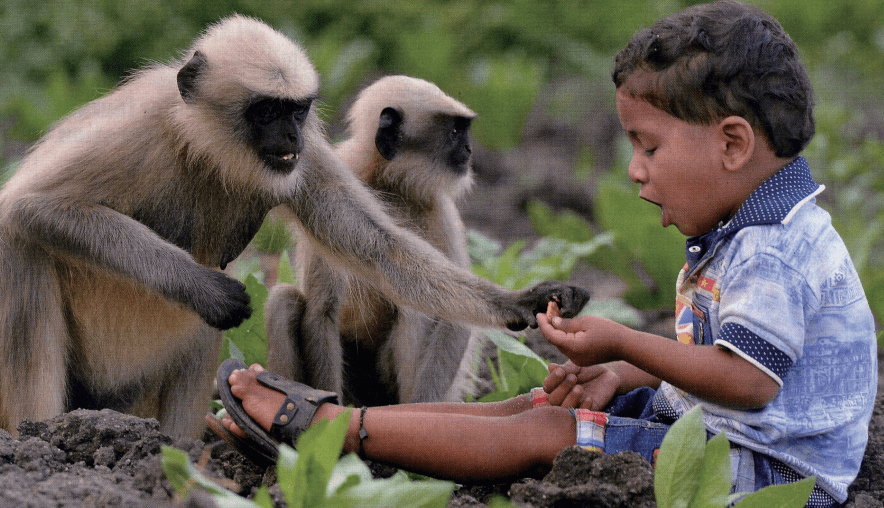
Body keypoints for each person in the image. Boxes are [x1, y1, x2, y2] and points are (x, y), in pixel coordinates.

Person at [210, 1, 877, 505]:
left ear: (732, 146)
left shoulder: (775, 250)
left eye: (649, 148)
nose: (636, 172)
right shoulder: (749, 232)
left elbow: (747, 381)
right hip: (719, 436)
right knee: (533, 407)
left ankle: (327, 427)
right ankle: (340, 421)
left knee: (545, 435)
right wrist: (627, 377)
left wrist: (622, 343)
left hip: (760, 475)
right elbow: (738, 369)